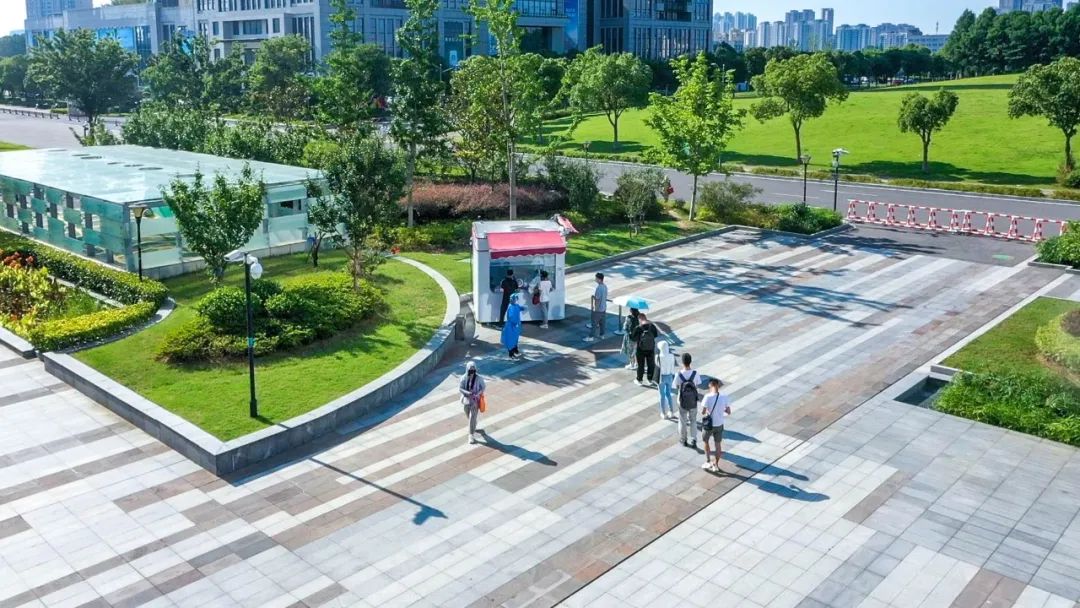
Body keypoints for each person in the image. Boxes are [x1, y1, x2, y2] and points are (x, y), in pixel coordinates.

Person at [700, 379, 731, 472]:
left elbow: (703, 412)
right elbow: (728, 411)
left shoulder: (707, 397)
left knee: (705, 441)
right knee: (718, 445)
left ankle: (708, 461)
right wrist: (721, 410)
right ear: (718, 386)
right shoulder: (724, 397)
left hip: (709, 425)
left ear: (710, 385)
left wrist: (707, 411)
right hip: (719, 424)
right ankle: (716, 464)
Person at [674, 353, 699, 449]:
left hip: (682, 401)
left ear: (682, 362)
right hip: (693, 401)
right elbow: (697, 385)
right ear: (690, 361)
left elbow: (676, 386)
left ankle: (683, 439)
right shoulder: (695, 373)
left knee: (682, 421)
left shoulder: (679, 374)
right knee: (693, 420)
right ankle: (694, 439)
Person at [459, 361, 485, 445]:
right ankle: (474, 423)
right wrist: (467, 392)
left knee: (471, 417)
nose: (472, 371)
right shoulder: (463, 378)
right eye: (470, 369)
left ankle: (471, 435)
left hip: (475, 400)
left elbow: (483, 387)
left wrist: (478, 393)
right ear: (467, 369)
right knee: (468, 414)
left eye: (473, 369)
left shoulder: (479, 378)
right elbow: (460, 388)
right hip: (466, 400)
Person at [630, 312, 658, 386]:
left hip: (640, 349)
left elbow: (633, 338)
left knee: (641, 365)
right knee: (650, 364)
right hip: (651, 348)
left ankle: (639, 380)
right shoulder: (652, 326)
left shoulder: (638, 328)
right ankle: (650, 379)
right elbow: (655, 335)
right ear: (645, 318)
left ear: (639, 319)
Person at [656, 340, 677, 419]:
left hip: (661, 377)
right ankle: (671, 411)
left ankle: (663, 413)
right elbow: (672, 367)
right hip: (670, 376)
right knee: (668, 394)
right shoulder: (671, 356)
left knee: (662, 395)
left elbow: (657, 367)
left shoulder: (658, 357)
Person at [584, 273, 608, 342]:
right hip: (603, 307)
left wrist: (595, 308)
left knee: (594, 323)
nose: (595, 279)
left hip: (598, 309)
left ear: (599, 279)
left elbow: (597, 299)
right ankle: (602, 335)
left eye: (596, 278)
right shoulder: (605, 286)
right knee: (602, 323)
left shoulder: (599, 288)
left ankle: (591, 337)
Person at [501, 293, 523, 359]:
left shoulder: (516, 305)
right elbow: (511, 317)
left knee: (515, 339)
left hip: (515, 326)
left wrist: (524, 308)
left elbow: (520, 308)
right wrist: (515, 323)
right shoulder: (511, 307)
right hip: (511, 326)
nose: (516, 300)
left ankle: (515, 351)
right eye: (515, 299)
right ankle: (511, 355)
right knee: (511, 340)